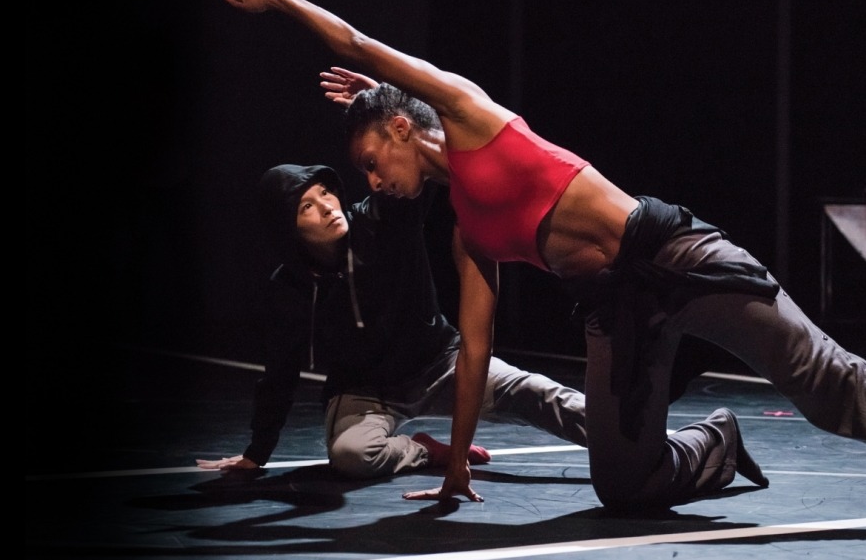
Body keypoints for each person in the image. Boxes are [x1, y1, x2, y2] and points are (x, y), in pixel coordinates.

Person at [205, 0, 866, 540]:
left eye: (370, 162)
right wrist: (454, 470)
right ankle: (715, 444)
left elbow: (353, 39)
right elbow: (478, 346)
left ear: (395, 128)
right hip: (613, 311)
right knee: (622, 484)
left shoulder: (469, 113)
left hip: (670, 256)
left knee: (819, 376)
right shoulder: (467, 230)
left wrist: (276, 0)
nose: (371, 182)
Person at [197, 162, 589, 479]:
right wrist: (256, 452)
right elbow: (280, 371)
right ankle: (424, 450)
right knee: (351, 455)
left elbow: (417, 173)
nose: (328, 206)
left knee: (538, 392)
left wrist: (385, 107)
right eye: (307, 207)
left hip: (439, 364)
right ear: (290, 230)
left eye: (325, 192)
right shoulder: (288, 289)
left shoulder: (379, 221)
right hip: (364, 391)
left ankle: (637, 445)